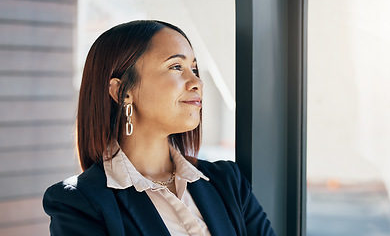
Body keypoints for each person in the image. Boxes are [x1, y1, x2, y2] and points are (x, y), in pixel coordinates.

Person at [43, 20, 276, 236]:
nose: (197, 82)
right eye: (176, 67)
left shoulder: (228, 182)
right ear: (122, 90)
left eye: (194, 69)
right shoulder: (77, 203)